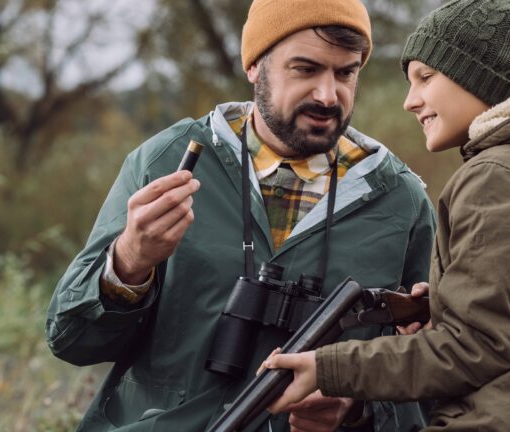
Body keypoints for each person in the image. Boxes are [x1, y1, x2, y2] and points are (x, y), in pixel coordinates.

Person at [45, 0, 436, 430]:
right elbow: (71, 341)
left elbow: (436, 380)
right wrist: (130, 263)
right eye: (305, 69)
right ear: (254, 66)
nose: (328, 95)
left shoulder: (401, 201)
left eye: (345, 73)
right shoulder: (166, 162)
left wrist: (358, 410)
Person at [263, 0, 510, 430]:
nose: (411, 101)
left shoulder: (498, 176)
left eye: (426, 78)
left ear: (480, 77)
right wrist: (445, 303)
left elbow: (473, 348)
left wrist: (328, 368)